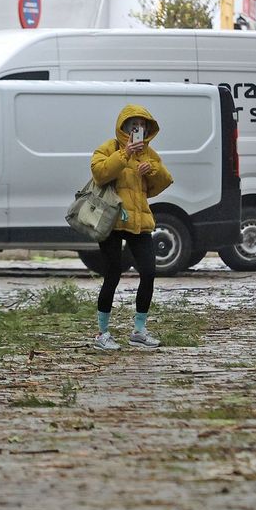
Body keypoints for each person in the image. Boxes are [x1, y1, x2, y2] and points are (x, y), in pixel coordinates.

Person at [89, 104, 173, 351]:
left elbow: (162, 183)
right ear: (124, 127)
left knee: (148, 272)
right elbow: (99, 173)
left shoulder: (149, 153)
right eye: (134, 126)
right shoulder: (109, 148)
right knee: (112, 274)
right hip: (112, 220)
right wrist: (125, 154)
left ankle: (139, 330)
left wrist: (152, 171)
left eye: (143, 125)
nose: (139, 129)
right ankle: (102, 333)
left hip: (139, 220)